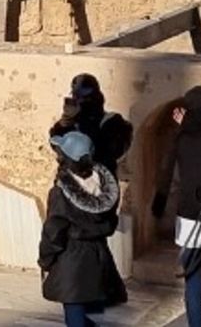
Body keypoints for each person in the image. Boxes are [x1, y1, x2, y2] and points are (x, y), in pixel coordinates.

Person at [153, 85, 201, 327]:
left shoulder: (181, 140)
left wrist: (158, 205)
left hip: (188, 220)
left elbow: (166, 173)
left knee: (193, 286)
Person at [39, 130, 126, 327]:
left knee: (74, 313)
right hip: (98, 256)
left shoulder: (60, 193)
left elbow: (53, 232)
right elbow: (110, 224)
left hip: (71, 260)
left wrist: (45, 259)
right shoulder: (105, 188)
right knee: (85, 314)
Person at [51, 73, 134, 175]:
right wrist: (64, 123)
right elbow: (56, 144)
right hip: (70, 181)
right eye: (74, 96)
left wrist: (83, 125)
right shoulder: (73, 122)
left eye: (81, 97)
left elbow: (106, 153)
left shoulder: (111, 121)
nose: (76, 100)